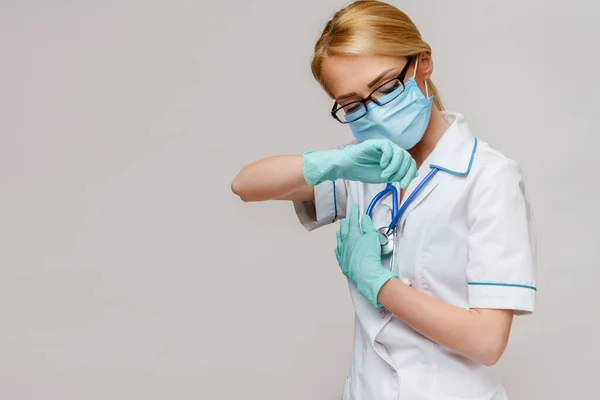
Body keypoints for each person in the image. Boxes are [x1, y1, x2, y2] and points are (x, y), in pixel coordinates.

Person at [230, 1, 537, 399]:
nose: (373, 110)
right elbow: (246, 185)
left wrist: (377, 282)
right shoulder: (365, 170)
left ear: (423, 64)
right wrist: (336, 161)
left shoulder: (488, 178)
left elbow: (486, 341)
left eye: (387, 87)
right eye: (353, 104)